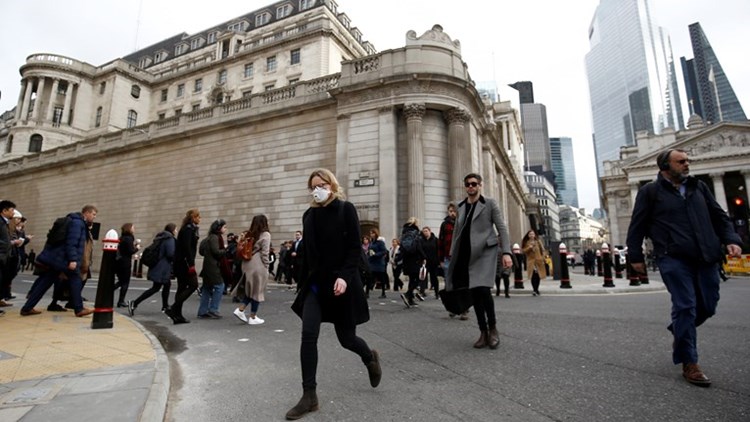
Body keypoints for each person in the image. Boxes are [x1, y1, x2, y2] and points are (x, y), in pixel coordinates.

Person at [626, 148, 742, 387]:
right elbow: (637, 225)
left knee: (708, 306)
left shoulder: (699, 187)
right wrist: (635, 257)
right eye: (681, 161)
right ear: (665, 167)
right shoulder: (650, 192)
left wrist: (732, 239)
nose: (687, 164)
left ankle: (680, 330)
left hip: (706, 256)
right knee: (686, 306)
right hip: (673, 257)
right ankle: (690, 362)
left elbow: (719, 217)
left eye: (687, 160)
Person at [286, 168, 381, 420]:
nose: (317, 190)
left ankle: (369, 357)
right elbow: (308, 252)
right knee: (308, 335)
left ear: (332, 185)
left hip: (341, 285)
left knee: (347, 339)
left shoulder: (345, 209)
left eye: (322, 185)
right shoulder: (309, 215)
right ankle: (309, 396)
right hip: (315, 287)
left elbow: (354, 248)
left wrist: (344, 277)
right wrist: (300, 280)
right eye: (313, 186)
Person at [445, 173, 512, 349]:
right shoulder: (460, 206)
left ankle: (493, 329)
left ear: (480, 185)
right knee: (474, 293)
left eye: (474, 184)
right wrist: (452, 253)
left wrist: (507, 252)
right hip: (466, 255)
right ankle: (483, 332)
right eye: (467, 184)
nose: (471, 187)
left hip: (485, 252)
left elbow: (502, 228)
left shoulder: (489, 204)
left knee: (483, 290)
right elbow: (457, 232)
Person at [20, 205, 98, 317]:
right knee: (76, 279)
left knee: (46, 281)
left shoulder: (72, 220)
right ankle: (79, 309)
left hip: (57, 259)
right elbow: (72, 242)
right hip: (64, 259)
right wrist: (73, 259)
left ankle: (27, 308)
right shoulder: (78, 223)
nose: (94, 217)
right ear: (87, 213)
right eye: (93, 214)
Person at [129, 224, 176, 316]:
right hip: (163, 267)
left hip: (157, 266)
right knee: (156, 288)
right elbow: (170, 254)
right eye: (176, 229)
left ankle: (165, 306)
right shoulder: (169, 239)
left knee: (166, 285)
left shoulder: (160, 237)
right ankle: (134, 303)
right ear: (173, 230)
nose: (176, 231)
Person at [232, 214, 271, 325]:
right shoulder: (266, 234)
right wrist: (267, 265)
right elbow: (265, 252)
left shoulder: (248, 234)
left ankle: (241, 310)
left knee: (251, 290)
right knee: (257, 290)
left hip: (247, 263)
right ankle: (252, 316)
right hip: (258, 264)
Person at [166, 209, 200, 325]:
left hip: (181, 262)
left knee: (181, 288)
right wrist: (191, 264)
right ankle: (173, 308)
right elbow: (187, 248)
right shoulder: (188, 229)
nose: (200, 219)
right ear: (193, 217)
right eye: (198, 217)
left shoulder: (188, 228)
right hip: (184, 263)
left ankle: (177, 315)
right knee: (193, 285)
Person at [197, 219, 228, 319]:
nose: (225, 229)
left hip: (207, 266)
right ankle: (213, 310)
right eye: (224, 227)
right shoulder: (215, 237)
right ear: (219, 228)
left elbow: (201, 251)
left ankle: (202, 311)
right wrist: (225, 249)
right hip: (213, 267)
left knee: (207, 288)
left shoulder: (208, 237)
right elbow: (216, 252)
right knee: (220, 286)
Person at [399, 217, 426, 308]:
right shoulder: (415, 232)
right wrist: (424, 257)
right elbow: (418, 247)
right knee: (418, 279)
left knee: (412, 279)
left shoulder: (404, 232)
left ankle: (410, 300)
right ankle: (407, 294)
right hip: (415, 259)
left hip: (407, 259)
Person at [113, 223, 139, 308]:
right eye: (133, 227)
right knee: (125, 282)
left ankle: (109, 292)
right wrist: (137, 248)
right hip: (125, 263)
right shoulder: (129, 238)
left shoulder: (122, 238)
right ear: (129, 229)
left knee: (121, 281)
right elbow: (130, 251)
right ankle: (121, 300)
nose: (134, 229)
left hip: (119, 262)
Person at [0, 200, 16, 314]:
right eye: (12, 210)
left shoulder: (4, 222)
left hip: (3, 257)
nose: (13, 213)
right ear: (4, 211)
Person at [521, 229, 547, 296]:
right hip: (531, 262)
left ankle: (536, 289)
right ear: (528, 235)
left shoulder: (538, 242)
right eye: (530, 234)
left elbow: (543, 250)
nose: (532, 235)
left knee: (538, 276)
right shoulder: (526, 242)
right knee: (533, 276)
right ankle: (534, 290)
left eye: (533, 234)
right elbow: (523, 251)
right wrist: (529, 247)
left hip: (538, 261)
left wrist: (542, 258)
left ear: (534, 235)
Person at [367, 228, 388, 299]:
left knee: (381, 278)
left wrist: (376, 254)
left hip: (379, 263)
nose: (371, 235)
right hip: (372, 262)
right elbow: (369, 251)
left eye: (372, 233)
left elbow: (384, 251)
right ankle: (367, 293)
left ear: (376, 234)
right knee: (369, 277)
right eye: (370, 233)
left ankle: (383, 293)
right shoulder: (371, 242)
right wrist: (368, 256)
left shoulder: (380, 242)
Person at [420, 226, 439, 298]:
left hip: (434, 261)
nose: (425, 233)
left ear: (430, 231)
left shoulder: (435, 240)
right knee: (423, 277)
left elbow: (438, 250)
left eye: (426, 231)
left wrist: (439, 261)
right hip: (425, 262)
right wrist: (423, 258)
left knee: (434, 277)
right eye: (424, 231)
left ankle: (437, 293)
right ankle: (422, 292)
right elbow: (420, 250)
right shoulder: (421, 240)